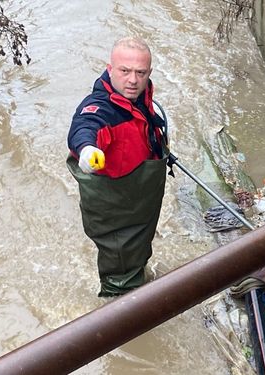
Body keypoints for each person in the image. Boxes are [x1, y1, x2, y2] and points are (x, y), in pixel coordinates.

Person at [66, 36, 169, 298]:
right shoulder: (101, 109)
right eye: (124, 71)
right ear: (110, 69)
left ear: (149, 73)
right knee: (120, 274)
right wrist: (87, 150)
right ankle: (120, 315)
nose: (133, 80)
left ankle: (140, 282)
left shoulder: (139, 96)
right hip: (116, 207)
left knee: (138, 254)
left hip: (140, 196)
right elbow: (84, 127)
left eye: (140, 72)